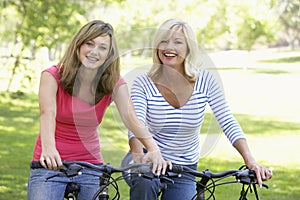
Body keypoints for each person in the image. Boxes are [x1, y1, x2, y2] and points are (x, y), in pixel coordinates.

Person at [125, 18, 273, 200]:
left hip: (184, 168)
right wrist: (140, 156)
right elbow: (136, 123)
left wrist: (250, 160)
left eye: (177, 42)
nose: (168, 47)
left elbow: (227, 120)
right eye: (163, 41)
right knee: (144, 182)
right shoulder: (143, 82)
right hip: (148, 159)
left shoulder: (205, 81)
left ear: (188, 48)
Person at [27, 20, 169, 200]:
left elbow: (130, 116)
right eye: (89, 44)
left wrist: (153, 149)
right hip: (50, 161)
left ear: (109, 54)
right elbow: (48, 113)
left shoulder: (113, 82)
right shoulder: (52, 75)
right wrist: (48, 149)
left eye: (102, 47)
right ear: (78, 45)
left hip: (90, 165)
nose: (94, 52)